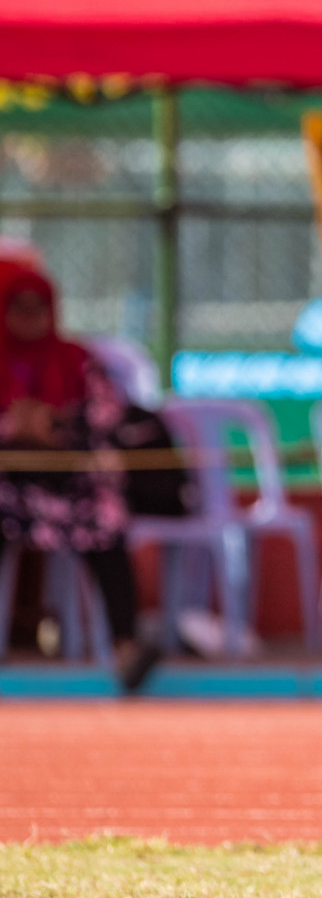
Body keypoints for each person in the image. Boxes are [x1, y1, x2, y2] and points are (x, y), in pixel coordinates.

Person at [0, 259, 160, 691]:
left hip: (68, 485)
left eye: (40, 307)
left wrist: (58, 423)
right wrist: (15, 426)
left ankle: (126, 646)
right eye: (19, 306)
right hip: (9, 489)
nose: (30, 317)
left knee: (106, 518)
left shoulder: (75, 360)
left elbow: (109, 415)